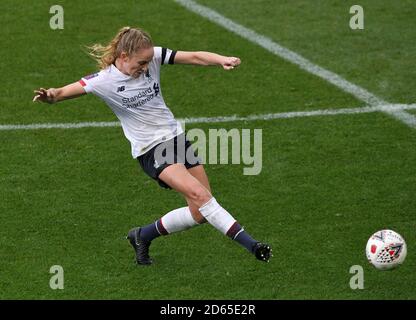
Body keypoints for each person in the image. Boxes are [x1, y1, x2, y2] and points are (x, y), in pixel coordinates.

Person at [33, 26, 272, 265]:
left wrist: (222, 60)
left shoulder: (153, 55)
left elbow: (194, 56)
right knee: (200, 195)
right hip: (151, 150)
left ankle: (142, 235)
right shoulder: (103, 81)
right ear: (123, 56)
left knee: (200, 213)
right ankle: (253, 246)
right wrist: (50, 95)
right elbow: (64, 92)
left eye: (148, 61)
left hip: (176, 138)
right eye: (141, 62)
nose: (146, 67)